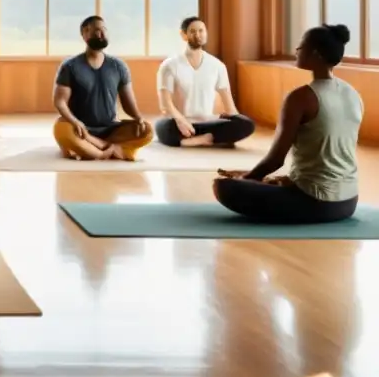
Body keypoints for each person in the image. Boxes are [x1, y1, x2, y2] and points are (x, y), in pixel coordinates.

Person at [213, 24, 362, 223]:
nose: (296, 51)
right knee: (265, 180)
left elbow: (276, 160)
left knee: (223, 186)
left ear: (315, 54)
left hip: (316, 203)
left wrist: (247, 178)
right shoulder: (353, 94)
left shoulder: (300, 97)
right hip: (348, 202)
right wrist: (267, 179)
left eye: (301, 47)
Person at [52, 15, 153, 161]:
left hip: (110, 129)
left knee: (147, 130)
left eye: (104, 30)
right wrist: (74, 122)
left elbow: (128, 103)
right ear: (85, 33)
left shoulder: (119, 66)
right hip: (79, 128)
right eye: (97, 30)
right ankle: (104, 152)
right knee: (61, 129)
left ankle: (92, 148)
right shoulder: (70, 66)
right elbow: (60, 101)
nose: (102, 34)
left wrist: (138, 118)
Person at [155, 16, 256, 147]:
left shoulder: (218, 65)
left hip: (209, 123)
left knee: (247, 124)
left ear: (206, 33)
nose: (198, 34)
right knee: (162, 127)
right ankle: (202, 140)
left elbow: (229, 105)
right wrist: (180, 120)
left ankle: (199, 139)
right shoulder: (169, 65)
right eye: (193, 31)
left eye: (201, 30)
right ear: (184, 35)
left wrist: (236, 122)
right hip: (180, 124)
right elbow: (165, 104)